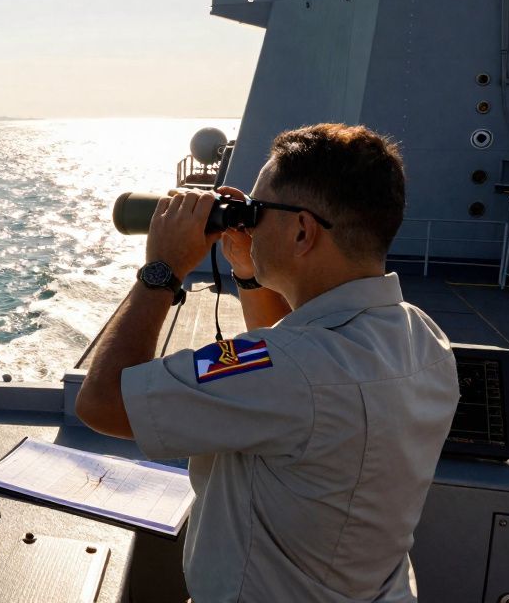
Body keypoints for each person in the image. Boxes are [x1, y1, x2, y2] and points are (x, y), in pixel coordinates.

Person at [75, 123, 460, 602]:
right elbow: (281, 364)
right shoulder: (422, 337)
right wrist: (248, 271)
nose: (246, 223)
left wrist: (163, 270)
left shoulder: (297, 373)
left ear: (302, 231)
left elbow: (102, 403)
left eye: (256, 211)